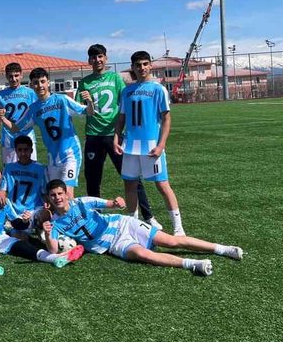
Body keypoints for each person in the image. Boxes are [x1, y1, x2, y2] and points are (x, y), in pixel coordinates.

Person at [41, 180, 243, 276]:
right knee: (143, 255)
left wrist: (117, 202)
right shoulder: (56, 224)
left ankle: (224, 249)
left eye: (60, 193)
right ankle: (194, 264)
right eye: (53, 195)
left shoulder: (81, 202)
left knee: (171, 241)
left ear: (66, 194)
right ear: (49, 199)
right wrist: (49, 233)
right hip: (114, 244)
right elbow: (53, 250)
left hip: (122, 224)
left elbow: (109, 204)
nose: (58, 198)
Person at [75, 44, 153, 221]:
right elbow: (82, 110)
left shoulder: (115, 78)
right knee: (93, 179)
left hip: (114, 135)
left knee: (132, 176)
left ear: (106, 58)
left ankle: (148, 216)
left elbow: (124, 104)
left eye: (100, 56)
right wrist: (86, 103)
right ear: (89, 61)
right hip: (93, 135)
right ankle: (96, 217)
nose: (97, 60)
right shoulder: (84, 82)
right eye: (94, 57)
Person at [0, 168, 84, 276]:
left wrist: (25, 221)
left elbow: (16, 223)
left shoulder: (4, 201)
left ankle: (55, 258)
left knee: (22, 246)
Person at [113, 51, 184, 234]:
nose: (142, 68)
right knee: (130, 185)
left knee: (162, 185)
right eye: (138, 65)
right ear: (133, 67)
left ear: (150, 65)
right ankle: (133, 226)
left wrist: (161, 145)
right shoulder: (126, 91)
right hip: (130, 147)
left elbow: (166, 119)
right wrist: (116, 136)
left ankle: (178, 228)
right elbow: (121, 117)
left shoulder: (158, 89)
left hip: (151, 147)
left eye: (145, 64)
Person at [0, 67, 94, 197]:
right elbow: (15, 128)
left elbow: (88, 112)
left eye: (42, 81)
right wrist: (3, 118)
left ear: (48, 82)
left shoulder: (62, 99)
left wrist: (89, 102)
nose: (40, 86)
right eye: (36, 83)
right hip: (53, 157)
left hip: (70, 153)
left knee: (67, 194)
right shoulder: (33, 109)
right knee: (53, 195)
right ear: (31, 85)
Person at [0, 135, 48, 240]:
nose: (23, 153)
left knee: (45, 213)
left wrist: (47, 206)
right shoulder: (9, 168)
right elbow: (2, 190)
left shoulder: (40, 169)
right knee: (17, 235)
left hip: (32, 210)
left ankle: (39, 226)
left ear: (31, 150)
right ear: (15, 151)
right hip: (13, 210)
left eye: (26, 150)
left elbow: (45, 192)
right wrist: (1, 192)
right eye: (20, 150)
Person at [0, 62, 38, 164]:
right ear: (6, 76)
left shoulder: (30, 93)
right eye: (10, 76)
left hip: (27, 135)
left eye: (16, 75)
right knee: (10, 168)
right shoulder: (1, 95)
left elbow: (37, 112)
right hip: (9, 137)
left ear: (21, 75)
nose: (14, 79)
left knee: (31, 167)